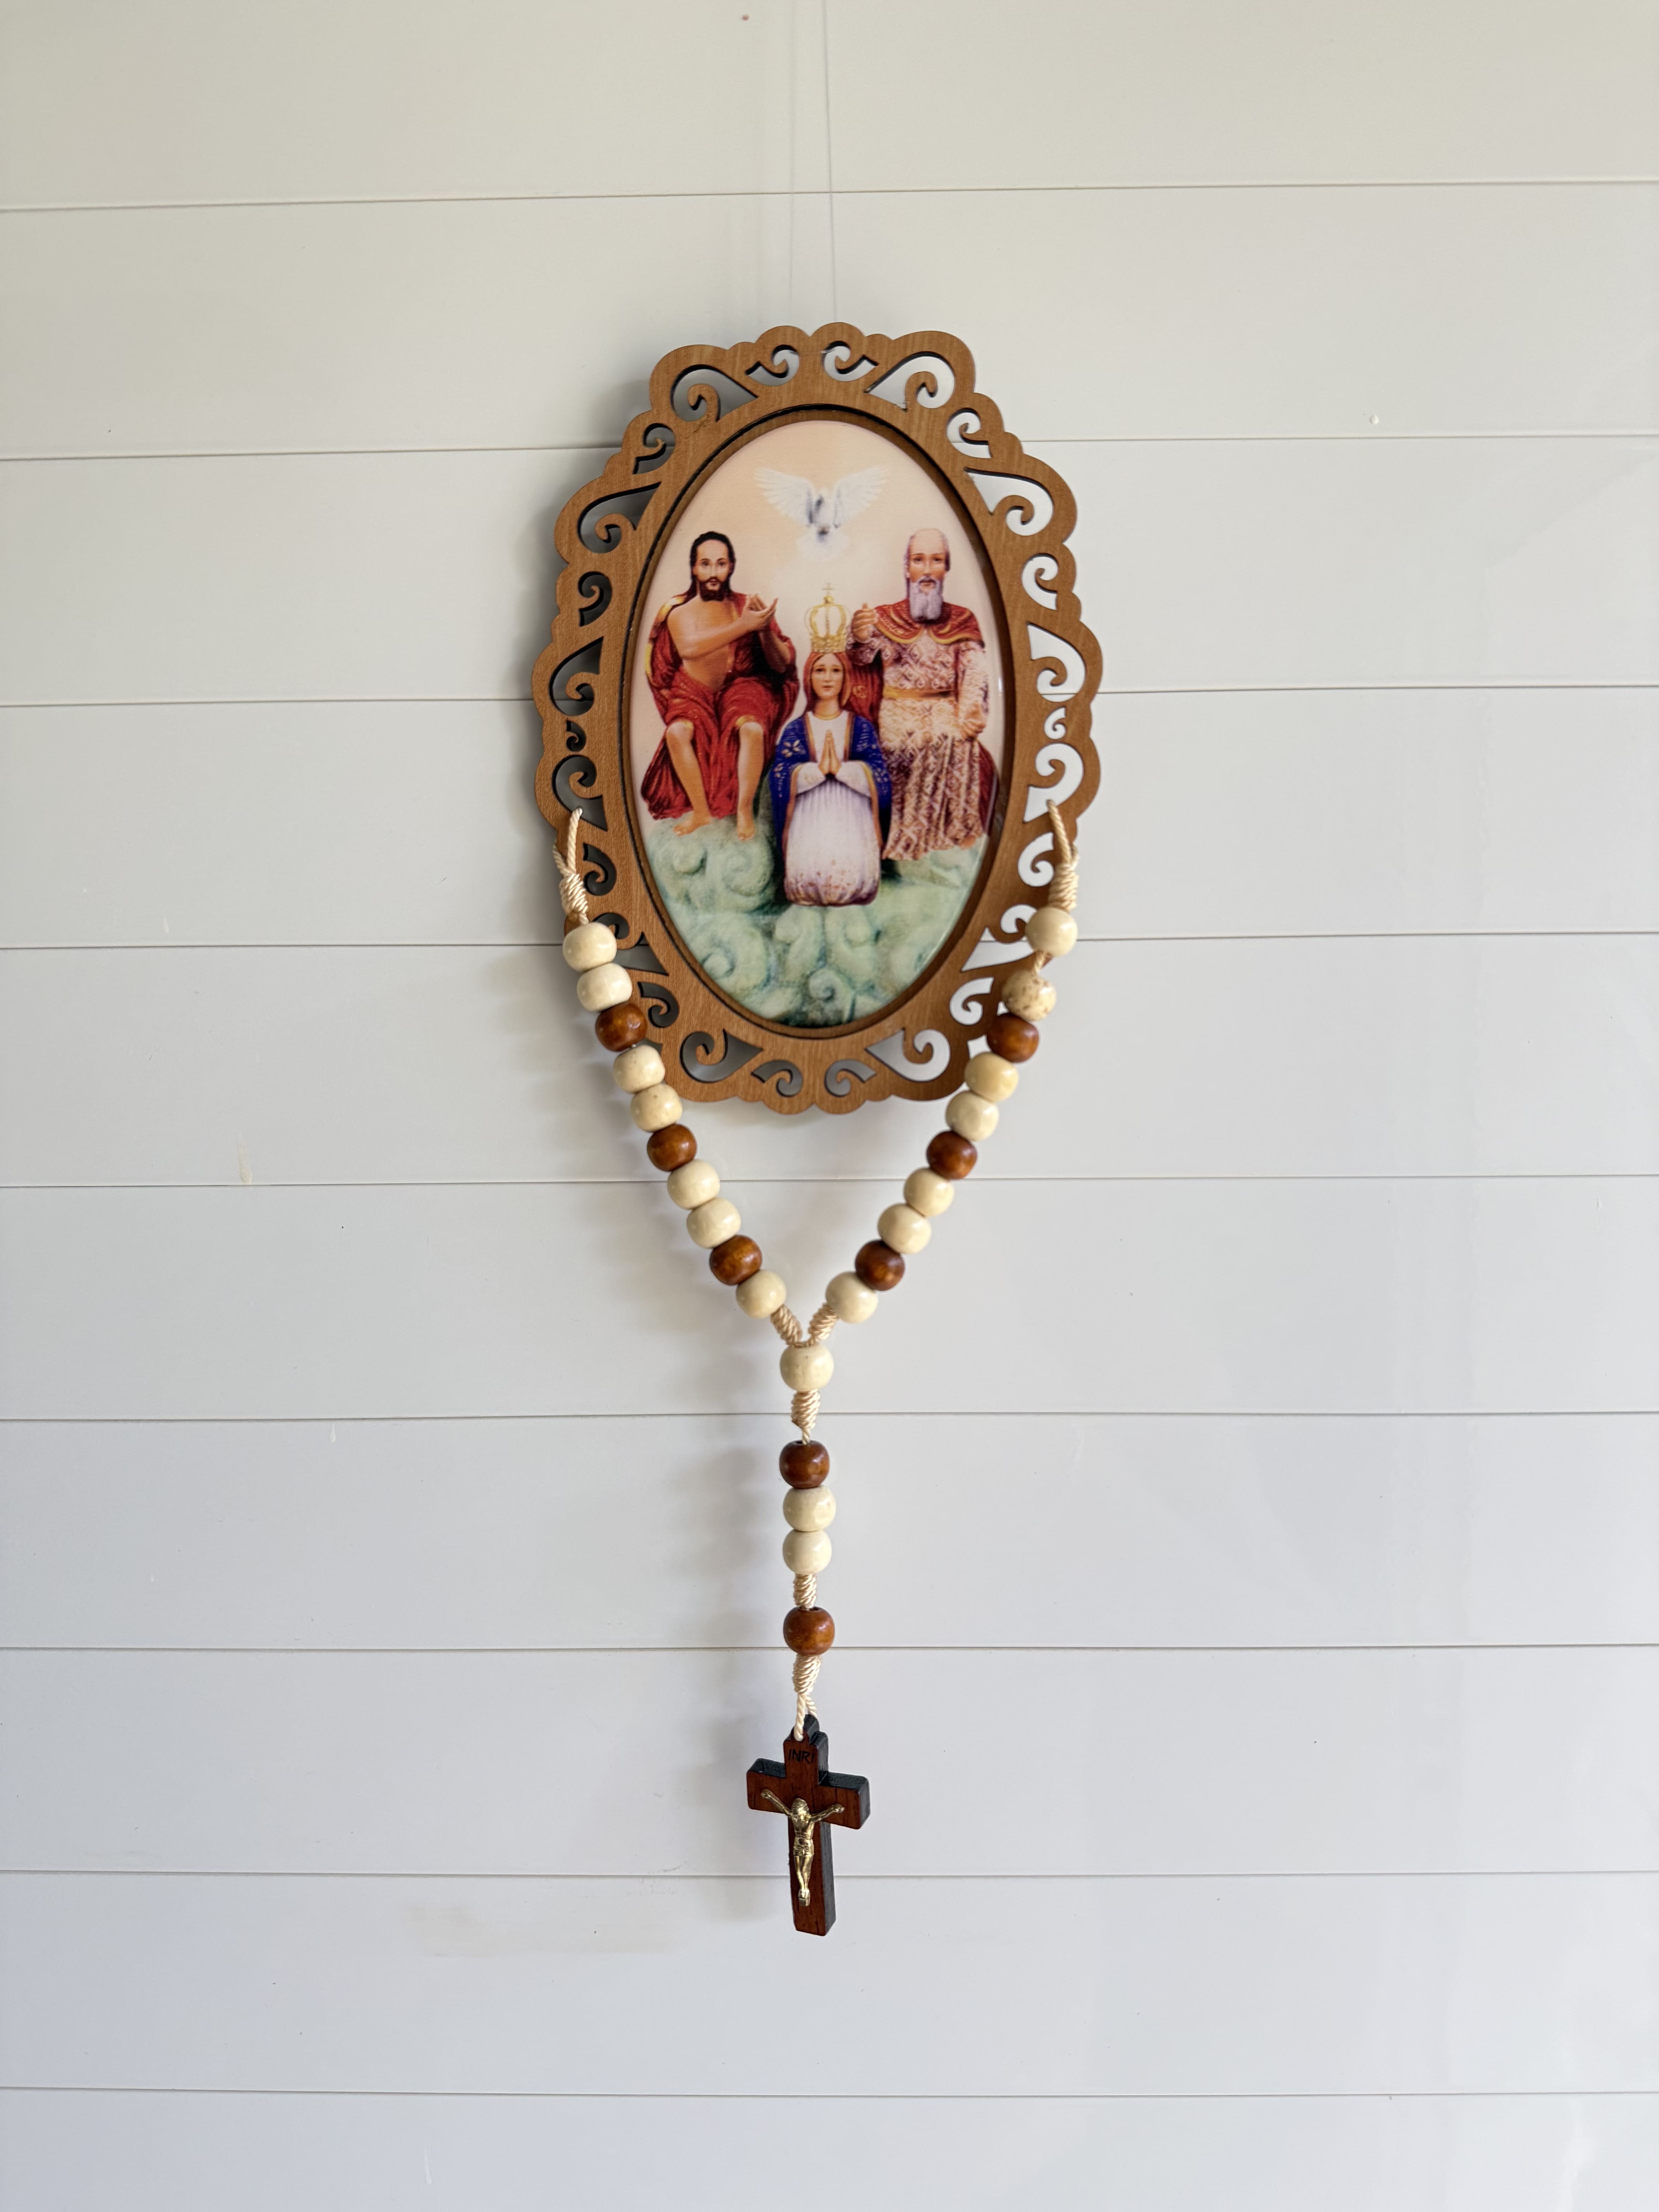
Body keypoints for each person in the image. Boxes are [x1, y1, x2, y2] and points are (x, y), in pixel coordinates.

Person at [847, 527, 996, 860]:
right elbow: (860, 657)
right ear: (906, 568)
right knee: (906, 742)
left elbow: (975, 669)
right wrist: (858, 634)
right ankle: (900, 841)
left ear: (946, 569)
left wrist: (972, 710)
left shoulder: (963, 620)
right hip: (897, 712)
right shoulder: (885, 618)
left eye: (936, 561)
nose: (927, 570)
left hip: (946, 711)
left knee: (953, 739)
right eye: (919, 560)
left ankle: (944, 843)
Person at [639, 531, 797, 840]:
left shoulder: (746, 606)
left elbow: (781, 665)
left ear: (731, 567)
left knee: (752, 729)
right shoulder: (679, 613)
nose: (713, 572)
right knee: (676, 733)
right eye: (706, 564)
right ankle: (701, 812)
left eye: (721, 564)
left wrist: (764, 629)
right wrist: (744, 626)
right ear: (694, 568)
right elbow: (690, 649)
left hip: (741, 686)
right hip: (693, 691)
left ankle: (744, 810)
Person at [768, 643, 890, 908]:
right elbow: (780, 776)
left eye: (836, 671)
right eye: (820, 670)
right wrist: (816, 771)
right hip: (809, 817)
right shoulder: (796, 729)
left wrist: (843, 770)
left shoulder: (861, 727)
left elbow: (880, 776)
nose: (828, 678)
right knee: (811, 879)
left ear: (846, 677)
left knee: (850, 879)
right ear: (809, 677)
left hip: (852, 818)